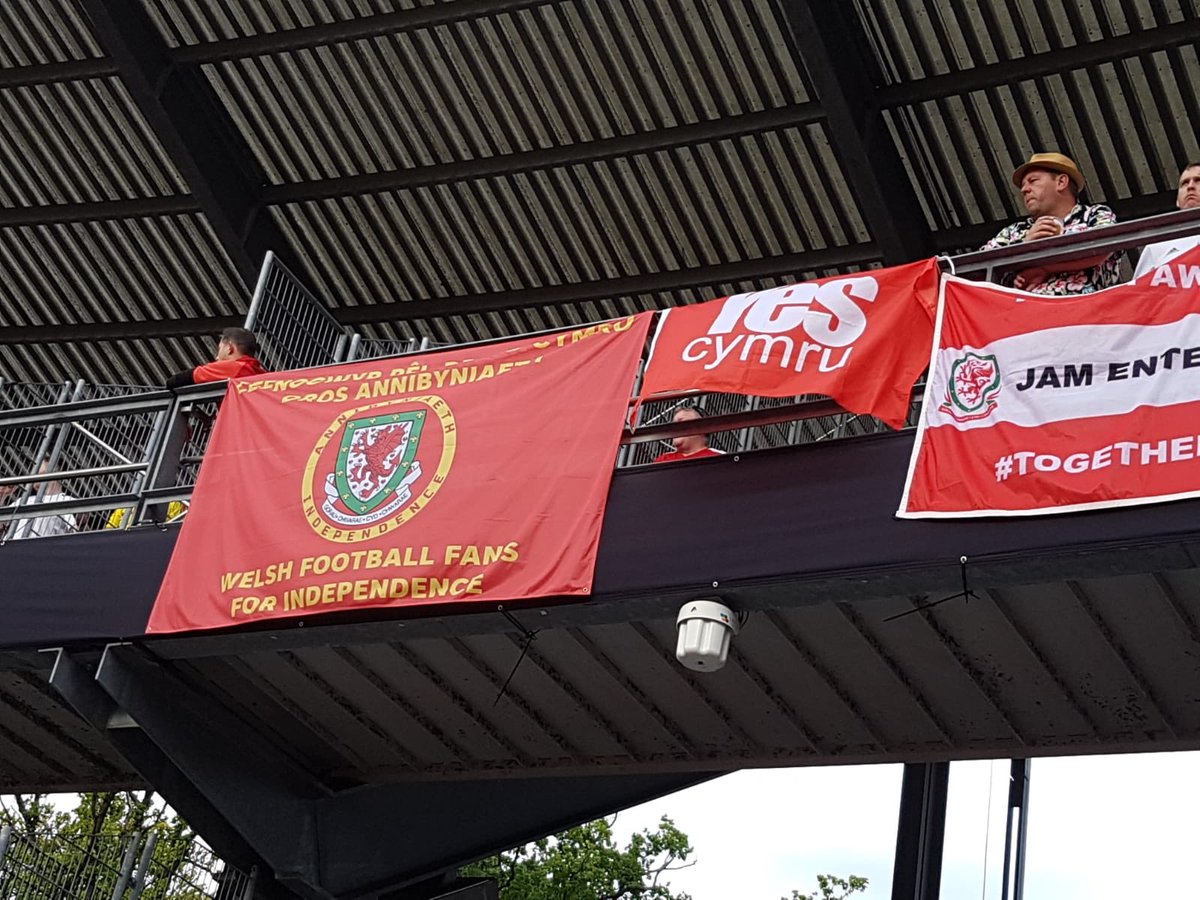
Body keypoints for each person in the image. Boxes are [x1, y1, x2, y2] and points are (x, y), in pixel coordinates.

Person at [982, 152, 1120, 294]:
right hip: (1023, 313)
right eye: (1023, 185)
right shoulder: (1013, 232)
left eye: (1033, 180)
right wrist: (1023, 245)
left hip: (1084, 311)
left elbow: (1105, 247)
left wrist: (1045, 268)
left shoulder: (1094, 214)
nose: (1024, 189)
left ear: (1061, 182)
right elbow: (974, 271)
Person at [1132, 162, 1200, 279]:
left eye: (1198, 180)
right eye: (1184, 183)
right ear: (1177, 201)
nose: (1190, 186)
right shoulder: (1157, 246)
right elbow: (1139, 294)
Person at [165, 327, 266, 389]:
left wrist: (169, 384)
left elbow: (189, 376)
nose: (217, 357)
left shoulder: (235, 367)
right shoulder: (262, 373)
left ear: (229, 348)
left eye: (220, 349)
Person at [1, 461, 77, 540]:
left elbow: (76, 525)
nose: (34, 473)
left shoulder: (65, 499)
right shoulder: (24, 500)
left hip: (40, 548)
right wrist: (2, 495)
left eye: (39, 470)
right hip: (12, 547)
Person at [653, 407, 726, 463]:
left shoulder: (720, 458)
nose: (674, 428)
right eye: (673, 424)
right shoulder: (663, 459)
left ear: (701, 428)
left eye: (680, 422)